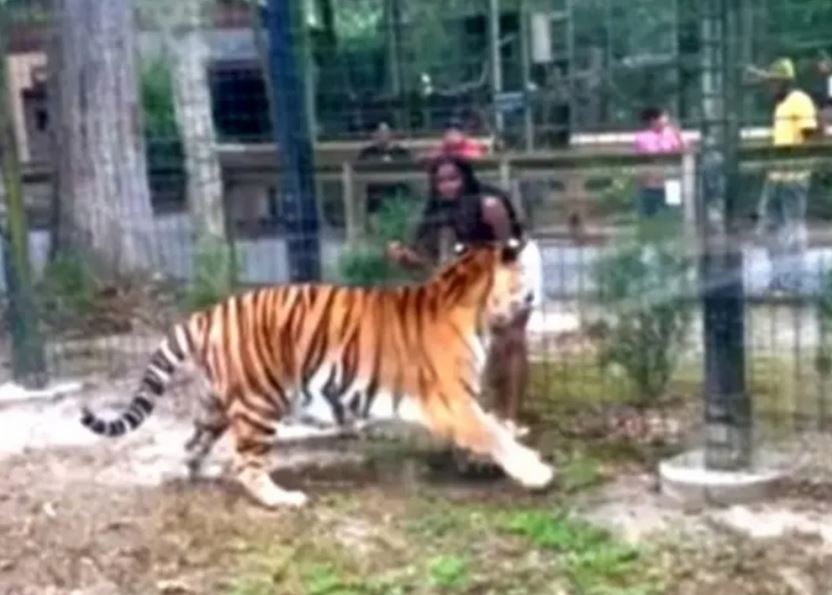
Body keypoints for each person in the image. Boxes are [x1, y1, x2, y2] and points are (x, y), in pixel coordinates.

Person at [387, 155, 541, 434]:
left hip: (514, 262)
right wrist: (407, 258)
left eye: (453, 178)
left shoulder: (489, 204)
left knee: (513, 337)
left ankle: (511, 418)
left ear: (467, 178)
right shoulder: (440, 213)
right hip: (479, 268)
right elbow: (433, 269)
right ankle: (494, 411)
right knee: (494, 341)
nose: (448, 186)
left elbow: (507, 250)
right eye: (441, 181)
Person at [755, 57, 821, 294]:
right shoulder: (780, 105)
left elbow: (810, 133)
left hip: (794, 174)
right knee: (769, 226)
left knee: (791, 227)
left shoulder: (799, 100)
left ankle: (793, 281)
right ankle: (778, 278)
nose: (770, 86)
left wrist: (801, 161)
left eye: (774, 81)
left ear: (785, 81)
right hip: (775, 175)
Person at [632, 106, 686, 220]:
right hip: (649, 182)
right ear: (653, 120)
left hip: (671, 180)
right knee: (649, 215)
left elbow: (681, 151)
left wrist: (678, 135)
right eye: (664, 117)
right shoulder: (642, 137)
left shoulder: (671, 134)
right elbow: (649, 154)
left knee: (674, 213)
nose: (667, 120)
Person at [356, 122, 413, 215]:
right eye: (377, 132)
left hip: (396, 196)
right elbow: (359, 169)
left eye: (384, 132)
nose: (380, 135)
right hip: (375, 197)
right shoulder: (367, 153)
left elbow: (408, 169)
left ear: (390, 133)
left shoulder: (401, 152)